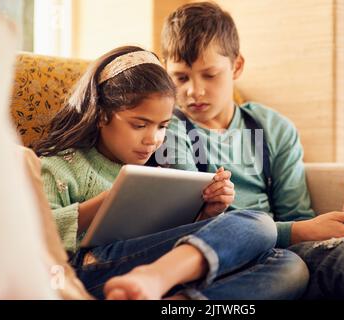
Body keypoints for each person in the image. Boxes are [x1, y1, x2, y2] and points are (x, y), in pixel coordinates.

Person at [159, 2, 344, 299]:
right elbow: (190, 227)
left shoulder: (273, 128)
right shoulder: (168, 129)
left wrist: (341, 221)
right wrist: (310, 230)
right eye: (181, 77)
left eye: (210, 75)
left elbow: (297, 215)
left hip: (292, 242)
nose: (194, 91)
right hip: (250, 258)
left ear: (236, 66)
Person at [34, 45, 309, 300]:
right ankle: (155, 278)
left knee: (289, 265)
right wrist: (105, 203)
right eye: (139, 125)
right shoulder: (61, 165)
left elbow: (162, 235)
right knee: (257, 222)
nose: (153, 139)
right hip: (88, 268)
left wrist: (206, 214)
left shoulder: (155, 167)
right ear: (102, 115)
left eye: (162, 126)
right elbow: (34, 234)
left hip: (150, 265)